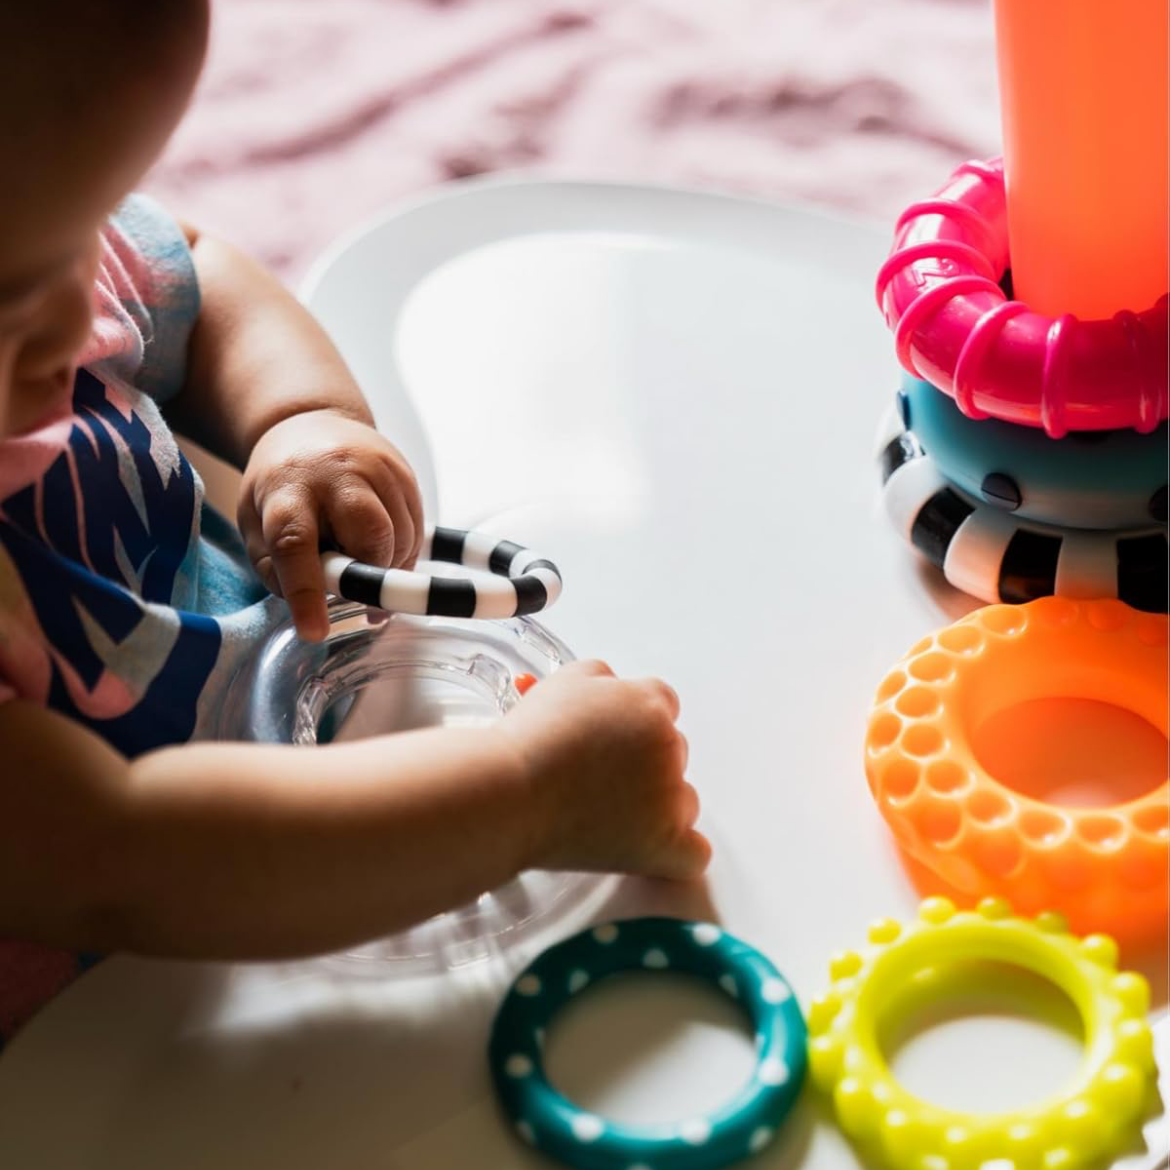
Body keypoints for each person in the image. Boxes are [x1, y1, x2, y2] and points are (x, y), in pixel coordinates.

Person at [0, 1, 708, 1042]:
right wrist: (528, 797)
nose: (83, 313)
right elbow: (127, 862)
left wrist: (301, 420)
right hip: (113, 1017)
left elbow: (194, 266)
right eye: (12, 299)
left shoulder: (39, 231)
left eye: (93, 223)